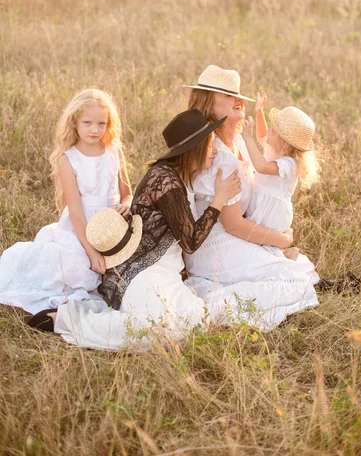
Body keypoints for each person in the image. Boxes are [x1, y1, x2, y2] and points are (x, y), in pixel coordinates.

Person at [27, 109, 241, 350]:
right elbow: (190, 242)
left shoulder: (179, 175)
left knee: (194, 322)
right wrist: (219, 199)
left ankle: (95, 310)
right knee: (160, 331)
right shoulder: (165, 182)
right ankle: (67, 320)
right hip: (140, 271)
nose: (214, 151)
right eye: (210, 144)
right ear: (195, 148)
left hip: (164, 270)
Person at [182, 65, 321, 331]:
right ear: (209, 105)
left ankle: (270, 260)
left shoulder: (242, 142)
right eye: (227, 95)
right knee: (288, 276)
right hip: (213, 243)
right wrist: (281, 238)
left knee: (294, 269)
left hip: (235, 234)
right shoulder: (219, 156)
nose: (237, 100)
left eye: (237, 95)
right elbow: (233, 223)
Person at [0, 88, 132, 314]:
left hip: (112, 226)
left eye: (101, 123)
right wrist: (91, 252)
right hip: (81, 229)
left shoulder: (113, 152)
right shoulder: (68, 159)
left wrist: (127, 204)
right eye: (87, 123)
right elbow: (76, 212)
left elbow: (127, 192)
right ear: (74, 122)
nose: (95, 129)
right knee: (80, 270)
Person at [242, 92, 320, 261]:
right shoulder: (275, 149)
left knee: (264, 244)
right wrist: (259, 111)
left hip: (273, 212)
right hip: (261, 205)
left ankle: (287, 256)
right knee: (259, 243)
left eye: (273, 131)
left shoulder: (288, 164)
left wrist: (247, 139)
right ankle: (283, 255)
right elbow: (262, 136)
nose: (269, 130)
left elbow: (261, 166)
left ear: (284, 142)